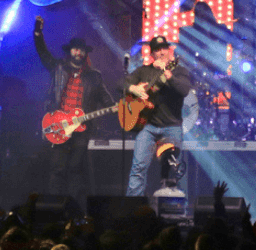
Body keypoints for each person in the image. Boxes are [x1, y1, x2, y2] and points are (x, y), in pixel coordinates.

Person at [33, 16, 114, 205]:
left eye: (81, 50)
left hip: (81, 130)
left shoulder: (94, 76)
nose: (78, 52)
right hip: (58, 125)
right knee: (57, 169)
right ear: (70, 51)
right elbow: (43, 53)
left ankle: (74, 209)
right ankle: (54, 207)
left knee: (76, 170)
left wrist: (118, 106)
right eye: (75, 49)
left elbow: (106, 100)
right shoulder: (58, 67)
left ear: (85, 53)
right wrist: (37, 33)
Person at [124, 35, 192, 198]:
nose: (161, 52)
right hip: (147, 127)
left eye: (164, 49)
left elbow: (184, 90)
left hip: (172, 126)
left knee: (174, 171)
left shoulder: (179, 70)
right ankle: (133, 208)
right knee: (138, 168)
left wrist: (167, 73)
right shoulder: (143, 71)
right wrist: (133, 88)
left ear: (169, 51)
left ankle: (175, 209)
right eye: (157, 50)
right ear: (152, 53)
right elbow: (121, 83)